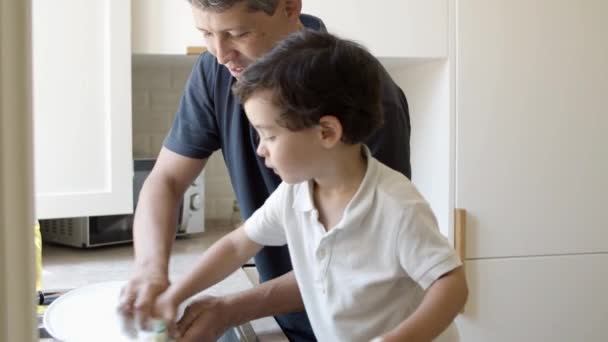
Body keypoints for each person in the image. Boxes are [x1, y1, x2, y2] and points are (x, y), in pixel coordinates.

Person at [119, 0, 411, 341]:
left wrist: (231, 309)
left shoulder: (367, 99)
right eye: (206, 33)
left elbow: (360, 258)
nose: (219, 53)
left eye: (238, 33)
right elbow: (167, 181)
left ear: (290, 6)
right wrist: (152, 272)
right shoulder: (219, 70)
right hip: (291, 321)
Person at [153, 30, 468, 342]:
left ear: (327, 132)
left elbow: (452, 286)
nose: (260, 148)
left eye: (270, 135)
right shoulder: (296, 194)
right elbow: (238, 245)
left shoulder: (395, 205)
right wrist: (176, 294)